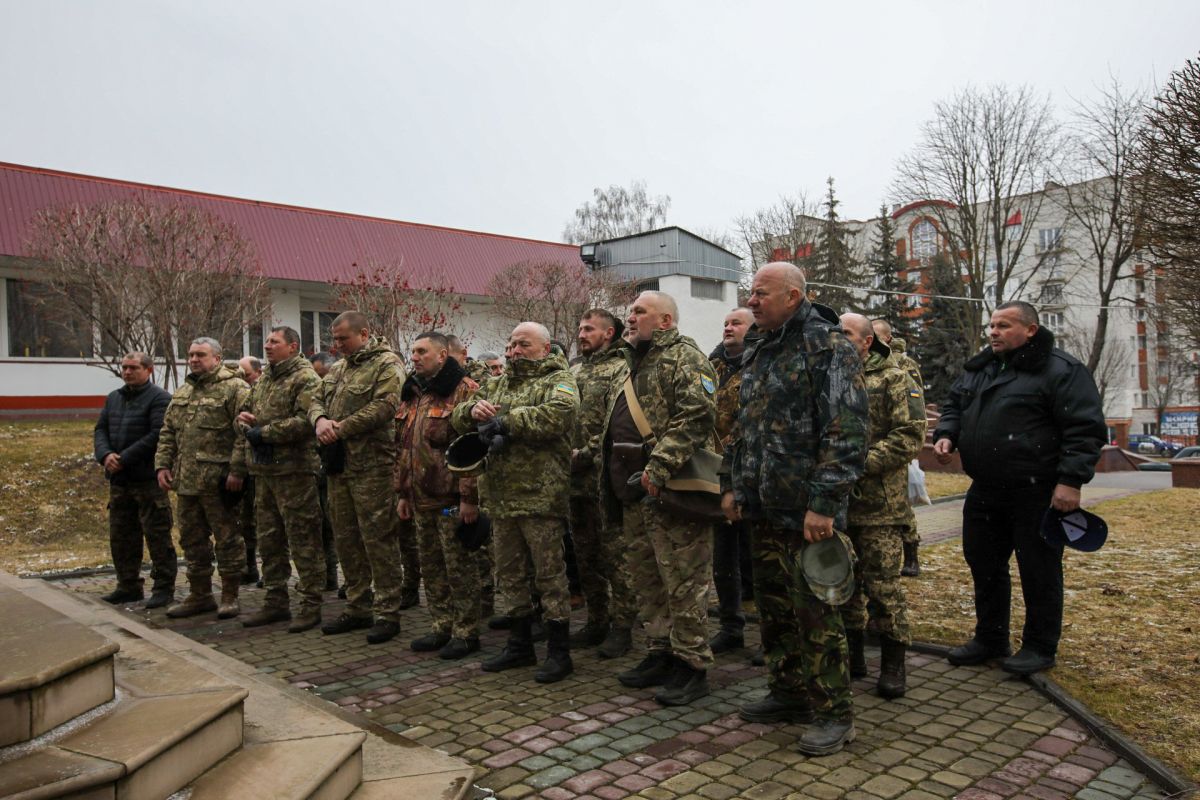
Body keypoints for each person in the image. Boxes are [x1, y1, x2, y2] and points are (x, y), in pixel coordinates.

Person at [721, 263, 868, 756]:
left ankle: (833, 712)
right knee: (775, 610)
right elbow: (746, 428)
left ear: (793, 295)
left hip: (808, 513)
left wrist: (824, 503)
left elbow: (845, 431)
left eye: (761, 294)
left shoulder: (828, 346)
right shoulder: (761, 348)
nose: (752, 301)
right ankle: (788, 692)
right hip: (763, 506)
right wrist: (735, 488)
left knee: (817, 615)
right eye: (751, 293)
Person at [934, 301, 1106, 675]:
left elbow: (1085, 429)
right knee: (984, 564)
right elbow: (954, 404)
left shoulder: (1061, 370)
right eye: (992, 325)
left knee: (1038, 569)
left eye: (1004, 325)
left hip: (1037, 491)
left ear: (1030, 330)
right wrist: (947, 433)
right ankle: (991, 638)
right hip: (985, 490)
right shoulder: (982, 367)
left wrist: (1070, 482)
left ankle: (1040, 646)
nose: (993, 332)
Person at [600, 291, 719, 706]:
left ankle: (692, 666)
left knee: (684, 582)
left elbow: (698, 415)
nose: (630, 318)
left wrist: (659, 467)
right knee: (647, 578)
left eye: (640, 312)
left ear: (665, 321)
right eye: (630, 311)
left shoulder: (684, 358)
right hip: (635, 492)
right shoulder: (632, 363)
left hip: (671, 489)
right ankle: (659, 652)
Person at [450, 321, 579, 683]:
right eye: (511, 343)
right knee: (508, 574)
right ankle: (520, 645)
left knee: (550, 576)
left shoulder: (559, 379)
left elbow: (558, 415)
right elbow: (461, 414)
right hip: (501, 497)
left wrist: (505, 420)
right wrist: (472, 413)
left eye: (523, 344)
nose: (514, 350)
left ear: (545, 348)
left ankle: (559, 652)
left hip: (540, 497)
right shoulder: (499, 381)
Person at [840, 313, 925, 699]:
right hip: (837, 504)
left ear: (867, 341)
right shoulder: (831, 379)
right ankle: (853, 657)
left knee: (883, 589)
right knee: (843, 586)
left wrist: (860, 462)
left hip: (880, 508)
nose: (837, 342)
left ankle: (893, 665)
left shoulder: (895, 377)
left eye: (845, 335)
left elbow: (909, 435)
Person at [310, 312, 407, 645]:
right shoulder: (338, 369)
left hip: (373, 467)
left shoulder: (386, 364)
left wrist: (339, 428)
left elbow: (385, 406)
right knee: (346, 538)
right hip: (340, 466)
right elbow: (315, 399)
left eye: (343, 339)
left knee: (378, 539)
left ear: (364, 334)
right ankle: (357, 605)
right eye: (334, 340)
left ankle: (387, 611)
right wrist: (320, 419)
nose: (337, 346)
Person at [394, 332, 483, 660]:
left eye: (422, 351)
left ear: (443, 355)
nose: (414, 357)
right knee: (431, 565)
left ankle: (466, 630)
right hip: (420, 498)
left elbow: (472, 449)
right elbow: (403, 447)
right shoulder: (413, 391)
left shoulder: (464, 391)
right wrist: (403, 493)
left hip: (449, 498)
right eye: (413, 351)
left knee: (458, 566)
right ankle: (440, 624)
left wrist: (468, 497)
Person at [236, 326, 327, 633]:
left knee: (303, 539)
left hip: (295, 472)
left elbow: (306, 422)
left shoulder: (305, 378)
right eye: (266, 342)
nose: (268, 347)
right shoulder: (264, 380)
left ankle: (310, 604)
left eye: (274, 342)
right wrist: (243, 422)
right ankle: (275, 602)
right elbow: (246, 413)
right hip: (264, 472)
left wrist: (265, 432)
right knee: (269, 540)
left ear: (293, 346)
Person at [155, 338, 250, 619]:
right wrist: (162, 465)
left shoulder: (235, 388)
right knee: (192, 540)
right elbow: (168, 432)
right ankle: (200, 594)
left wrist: (237, 470)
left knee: (228, 539)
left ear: (217, 358)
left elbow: (244, 434)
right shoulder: (183, 391)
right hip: (186, 482)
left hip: (218, 481)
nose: (194, 359)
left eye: (201, 355)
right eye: (191, 355)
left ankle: (230, 595)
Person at [569, 309, 636, 658]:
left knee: (615, 555)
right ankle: (596, 619)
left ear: (609, 333)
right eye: (580, 328)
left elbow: (616, 424)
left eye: (589, 329)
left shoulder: (621, 367)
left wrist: (586, 453)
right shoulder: (576, 368)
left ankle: (623, 626)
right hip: (574, 480)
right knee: (586, 553)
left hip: (604, 477)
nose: (582, 334)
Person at [93, 352, 177, 608]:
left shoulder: (159, 398)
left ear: (148, 370)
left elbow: (157, 435)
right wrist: (105, 455)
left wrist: (125, 457)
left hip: (146, 480)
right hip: (119, 481)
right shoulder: (114, 398)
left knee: (157, 536)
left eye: (133, 368)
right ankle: (128, 585)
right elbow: (100, 430)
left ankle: (163, 587)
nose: (127, 372)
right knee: (122, 536)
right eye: (125, 367)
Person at [708, 307, 756, 657]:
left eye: (736, 323)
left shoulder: (763, 364)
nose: (728, 327)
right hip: (717, 473)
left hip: (753, 474)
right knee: (722, 558)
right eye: (726, 322)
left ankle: (773, 635)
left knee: (759, 557)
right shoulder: (713, 366)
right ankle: (731, 626)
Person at [872, 318, 925, 577]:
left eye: (878, 336)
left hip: (895, 450)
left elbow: (916, 407)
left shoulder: (904, 365)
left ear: (889, 338)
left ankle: (911, 552)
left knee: (901, 505)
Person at [308, 351, 340, 590]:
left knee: (335, 527)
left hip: (339, 463)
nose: (320, 381)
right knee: (320, 527)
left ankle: (337, 578)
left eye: (322, 376)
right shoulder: (320, 392)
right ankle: (328, 577)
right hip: (316, 467)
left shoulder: (341, 388)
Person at [235, 355, 264, 585]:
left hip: (263, 466)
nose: (242, 380)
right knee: (245, 520)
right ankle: (249, 565)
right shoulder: (245, 395)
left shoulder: (262, 393)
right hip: (245, 465)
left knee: (260, 521)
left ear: (257, 373)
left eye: (246, 375)